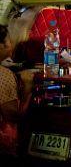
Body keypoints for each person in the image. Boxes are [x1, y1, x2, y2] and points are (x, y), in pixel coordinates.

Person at [0, 24, 33, 162]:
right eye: (8, 41)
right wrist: (27, 87)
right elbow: (13, 116)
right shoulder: (4, 75)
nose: (11, 45)